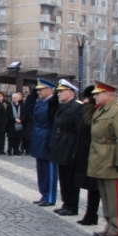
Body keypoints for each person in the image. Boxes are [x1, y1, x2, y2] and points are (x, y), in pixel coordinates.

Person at [88, 80, 118, 236]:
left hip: (111, 159)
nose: (94, 97)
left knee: (114, 197)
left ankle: (117, 228)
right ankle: (109, 224)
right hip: (100, 158)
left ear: (107, 94)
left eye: (97, 94)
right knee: (106, 196)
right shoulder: (102, 110)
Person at [50, 80, 83, 216]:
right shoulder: (62, 106)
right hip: (61, 143)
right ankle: (66, 202)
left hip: (71, 144)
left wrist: (76, 149)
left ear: (70, 92)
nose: (58, 94)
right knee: (63, 177)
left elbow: (80, 130)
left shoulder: (77, 107)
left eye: (61, 92)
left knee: (71, 178)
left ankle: (72, 206)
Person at [25, 78, 59, 206]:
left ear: (49, 90)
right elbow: (27, 109)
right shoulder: (39, 102)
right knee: (41, 170)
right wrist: (32, 94)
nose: (38, 92)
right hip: (38, 137)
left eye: (40, 90)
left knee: (49, 170)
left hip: (47, 137)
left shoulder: (53, 103)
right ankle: (44, 194)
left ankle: (50, 197)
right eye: (37, 90)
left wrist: (51, 142)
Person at [76, 86, 101, 226]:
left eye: (89, 98)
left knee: (96, 187)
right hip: (88, 152)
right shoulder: (90, 109)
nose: (86, 101)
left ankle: (92, 214)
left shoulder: (95, 110)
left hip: (96, 152)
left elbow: (88, 124)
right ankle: (90, 214)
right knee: (91, 186)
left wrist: (90, 106)